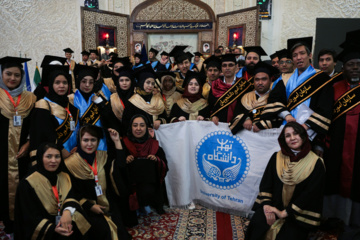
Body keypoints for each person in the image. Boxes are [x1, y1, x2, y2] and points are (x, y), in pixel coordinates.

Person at [245, 122, 325, 240]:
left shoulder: (316, 163)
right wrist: (267, 207)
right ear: (283, 140)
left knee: (287, 236)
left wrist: (284, 213)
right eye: (287, 135)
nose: (292, 138)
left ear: (303, 136)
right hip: (273, 205)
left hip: (299, 214)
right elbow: (266, 184)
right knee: (258, 224)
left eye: (295, 134)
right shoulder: (276, 157)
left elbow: (309, 195)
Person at [262, 37, 333, 152]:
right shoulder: (285, 79)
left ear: (310, 55)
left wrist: (304, 128)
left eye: (302, 53)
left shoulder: (322, 79)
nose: (299, 57)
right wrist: (287, 116)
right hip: (286, 130)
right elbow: (274, 101)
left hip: (310, 133)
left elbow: (325, 108)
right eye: (295, 55)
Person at [64, 125, 131, 239]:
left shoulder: (102, 157)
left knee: (122, 234)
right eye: (85, 140)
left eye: (93, 140)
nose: (89, 144)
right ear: (79, 141)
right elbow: (70, 191)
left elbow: (120, 168)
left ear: (98, 141)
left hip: (107, 204)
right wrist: (90, 206)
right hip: (86, 209)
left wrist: (117, 142)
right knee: (104, 231)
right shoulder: (71, 164)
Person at [15, 142, 90, 239]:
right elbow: (28, 216)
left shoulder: (64, 176)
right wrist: (52, 228)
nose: (53, 161)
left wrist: (67, 212)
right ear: (41, 158)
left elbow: (72, 197)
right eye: (49, 157)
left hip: (66, 223)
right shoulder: (28, 183)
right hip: (43, 231)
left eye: (57, 156)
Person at [323, 34, 360, 228]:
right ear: (343, 67)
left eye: (358, 64)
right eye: (350, 64)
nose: (355, 67)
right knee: (333, 181)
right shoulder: (333, 88)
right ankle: (332, 221)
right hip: (335, 146)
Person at [0, 56, 37, 234]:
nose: (12, 78)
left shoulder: (30, 98)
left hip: (23, 154)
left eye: (16, 75)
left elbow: (34, 126)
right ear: (1, 74)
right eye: (8, 74)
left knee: (24, 187)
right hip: (2, 154)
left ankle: (22, 223)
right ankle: (7, 223)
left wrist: (29, 144)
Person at [30, 64, 79, 160]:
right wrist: (61, 150)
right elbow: (45, 134)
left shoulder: (71, 106)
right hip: (53, 157)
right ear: (51, 85)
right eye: (57, 82)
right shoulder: (43, 105)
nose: (62, 86)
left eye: (65, 83)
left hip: (74, 156)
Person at [123, 114, 168, 215]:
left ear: (147, 128)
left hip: (149, 188)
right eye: (135, 125)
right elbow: (118, 166)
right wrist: (125, 159)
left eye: (142, 125)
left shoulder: (153, 144)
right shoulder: (124, 143)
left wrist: (157, 160)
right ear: (131, 127)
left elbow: (165, 165)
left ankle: (147, 202)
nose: (138, 128)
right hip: (131, 188)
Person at [229, 62, 282, 134]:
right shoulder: (246, 97)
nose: (260, 82)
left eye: (264, 79)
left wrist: (262, 125)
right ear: (253, 81)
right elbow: (236, 115)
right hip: (249, 141)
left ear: (270, 80)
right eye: (257, 79)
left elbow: (280, 118)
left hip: (270, 139)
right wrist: (245, 119)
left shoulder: (276, 97)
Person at [68, 64, 108, 151]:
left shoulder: (99, 98)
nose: (87, 85)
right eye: (84, 81)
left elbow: (109, 119)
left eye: (91, 82)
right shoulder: (71, 99)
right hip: (79, 142)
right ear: (79, 81)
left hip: (100, 142)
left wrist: (100, 104)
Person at [209, 54, 253, 124]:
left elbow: (248, 107)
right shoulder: (215, 84)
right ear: (221, 68)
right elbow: (210, 105)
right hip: (219, 124)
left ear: (236, 67)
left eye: (230, 65)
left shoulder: (244, 85)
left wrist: (247, 118)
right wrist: (214, 115)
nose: (227, 68)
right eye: (224, 65)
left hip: (238, 125)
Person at [122, 64, 167, 131]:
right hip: (139, 136)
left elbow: (164, 116)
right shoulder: (133, 101)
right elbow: (126, 122)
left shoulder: (157, 98)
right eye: (148, 83)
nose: (150, 86)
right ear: (141, 82)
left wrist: (160, 120)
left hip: (157, 135)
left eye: (152, 83)